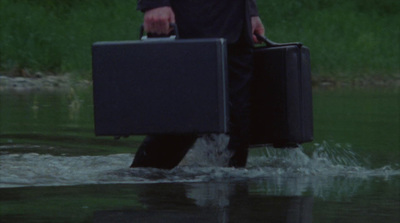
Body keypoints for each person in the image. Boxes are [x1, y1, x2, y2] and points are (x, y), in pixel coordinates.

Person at [130, 0, 265, 169]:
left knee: (235, 129)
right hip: (187, 24)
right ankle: (141, 187)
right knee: (180, 127)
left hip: (236, 28)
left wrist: (250, 11)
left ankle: (229, 192)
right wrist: (155, 3)